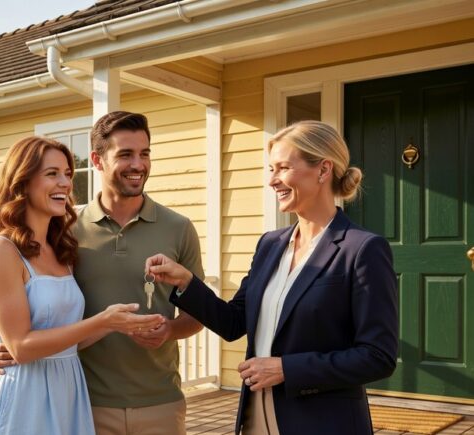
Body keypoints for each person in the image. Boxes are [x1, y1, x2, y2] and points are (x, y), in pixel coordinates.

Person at [145, 120, 399, 435]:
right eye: (271, 169)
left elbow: (378, 356)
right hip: (256, 416)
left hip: (323, 423)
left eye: (282, 168)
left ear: (322, 170)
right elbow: (233, 321)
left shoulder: (362, 249)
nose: (272, 181)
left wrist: (285, 369)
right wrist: (186, 282)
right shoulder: (270, 244)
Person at [0, 111, 205, 435]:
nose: (138, 164)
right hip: (86, 402)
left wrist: (169, 330)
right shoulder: (67, 231)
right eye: (125, 154)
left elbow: (199, 314)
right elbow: (18, 312)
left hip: (160, 400)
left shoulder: (179, 228)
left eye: (145, 154)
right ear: (98, 161)